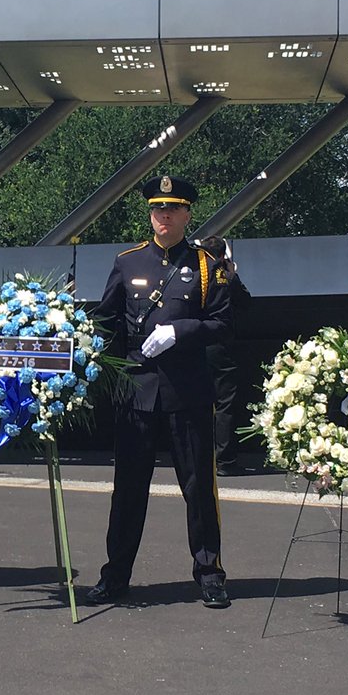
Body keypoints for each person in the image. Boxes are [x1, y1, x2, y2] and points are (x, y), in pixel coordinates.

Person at [86, 176, 233, 607]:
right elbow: (105, 320)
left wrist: (180, 331)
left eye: (172, 209)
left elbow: (224, 326)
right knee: (128, 490)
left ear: (187, 214)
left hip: (186, 392)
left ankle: (209, 572)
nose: (163, 216)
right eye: (157, 209)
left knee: (199, 488)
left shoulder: (208, 265)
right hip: (136, 393)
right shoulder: (128, 262)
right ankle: (116, 576)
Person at [198, 236, 252, 476]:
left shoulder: (193, 276)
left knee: (196, 404)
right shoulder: (227, 277)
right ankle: (225, 461)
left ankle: (198, 457)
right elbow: (246, 302)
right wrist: (232, 272)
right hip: (222, 347)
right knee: (225, 405)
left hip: (196, 346)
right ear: (223, 256)